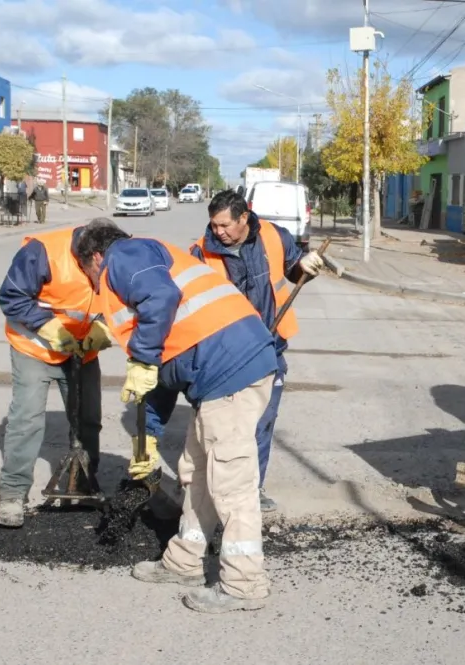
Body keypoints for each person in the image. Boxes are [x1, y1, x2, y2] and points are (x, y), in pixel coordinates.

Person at [75, 218, 279, 614]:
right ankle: (185, 561)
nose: (91, 284)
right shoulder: (144, 265)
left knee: (231, 481)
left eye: (87, 273)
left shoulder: (125, 256)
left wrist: (144, 359)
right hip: (222, 372)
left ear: (96, 256)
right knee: (197, 468)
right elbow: (164, 374)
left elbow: (161, 302)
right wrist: (146, 438)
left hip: (232, 370)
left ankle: (244, 583)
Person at [178, 189, 321, 513]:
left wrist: (306, 268)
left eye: (225, 225)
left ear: (244, 218)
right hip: (224, 355)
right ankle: (206, 487)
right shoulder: (200, 254)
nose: (218, 232)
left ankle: (251, 490)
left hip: (270, 347)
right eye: (214, 225)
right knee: (217, 426)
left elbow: (293, 271)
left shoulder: (273, 235)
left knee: (262, 422)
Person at [0, 223, 115, 527]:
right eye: (102, 270)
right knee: (27, 418)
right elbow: (11, 296)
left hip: (82, 350)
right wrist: (49, 329)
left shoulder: (116, 256)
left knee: (88, 418)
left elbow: (124, 302)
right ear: (94, 257)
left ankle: (83, 482)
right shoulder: (43, 251)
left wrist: (103, 327)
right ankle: (12, 492)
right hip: (34, 348)